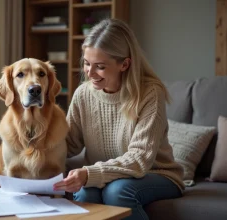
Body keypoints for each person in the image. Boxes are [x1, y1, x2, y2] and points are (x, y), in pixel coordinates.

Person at [53, 18, 184, 220]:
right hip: (105, 175)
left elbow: (139, 159)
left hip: (157, 174)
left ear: (124, 64)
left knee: (117, 191)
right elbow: (69, 145)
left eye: (100, 66)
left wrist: (89, 174)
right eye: (87, 63)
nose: (90, 72)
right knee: (87, 192)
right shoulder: (82, 95)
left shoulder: (149, 93)